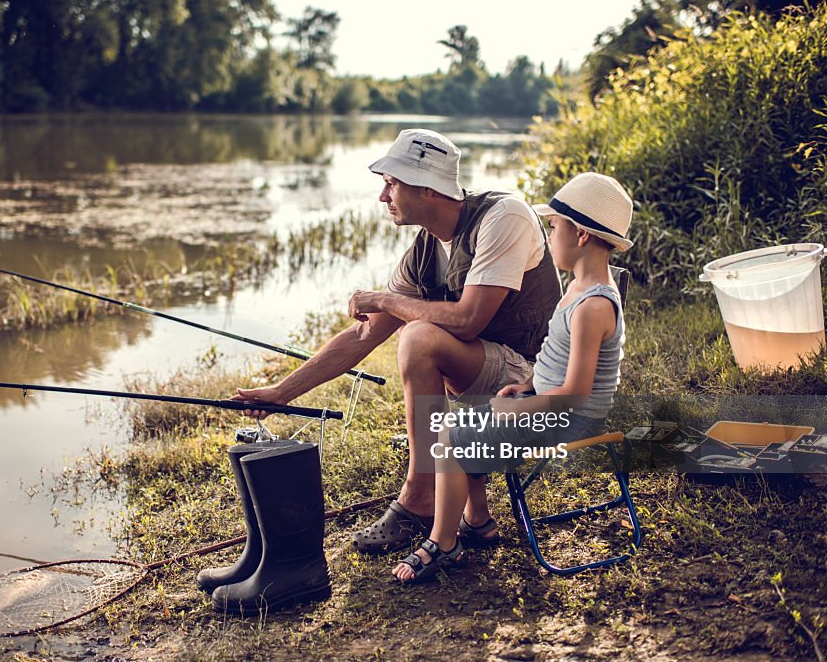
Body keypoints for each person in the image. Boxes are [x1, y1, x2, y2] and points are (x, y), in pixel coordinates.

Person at [233, 128, 561, 553]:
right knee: (416, 332)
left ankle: (420, 499)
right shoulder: (425, 251)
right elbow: (364, 333)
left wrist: (384, 298)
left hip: (537, 380)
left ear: (426, 189)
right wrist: (282, 393)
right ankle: (459, 509)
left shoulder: (505, 216)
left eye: (391, 184)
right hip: (492, 375)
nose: (383, 197)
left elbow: (466, 320)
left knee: (420, 337)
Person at [391, 171, 634, 582]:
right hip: (546, 402)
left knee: (451, 435)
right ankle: (475, 525)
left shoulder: (593, 306)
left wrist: (516, 407)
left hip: (570, 418)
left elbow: (575, 392)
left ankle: (443, 544)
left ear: (580, 237)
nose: (549, 235)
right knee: (453, 427)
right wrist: (529, 384)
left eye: (555, 227)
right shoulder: (578, 287)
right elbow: (558, 358)